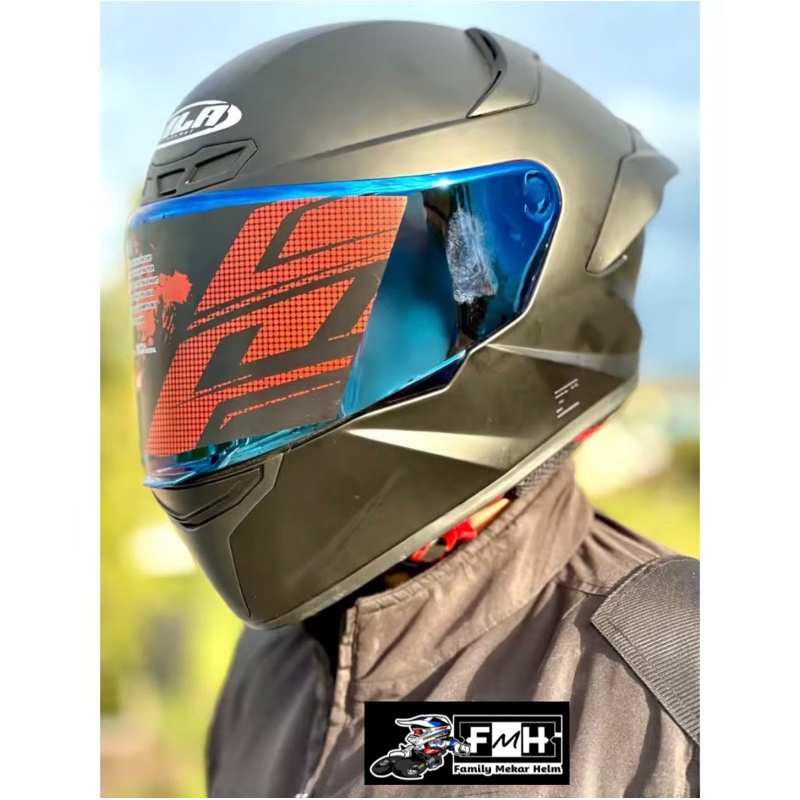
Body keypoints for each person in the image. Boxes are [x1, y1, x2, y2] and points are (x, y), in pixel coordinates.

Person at [126, 21, 699, 798]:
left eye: (315, 307)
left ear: (506, 288)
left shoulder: (683, 676)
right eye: (214, 325)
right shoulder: (274, 669)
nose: (239, 373)